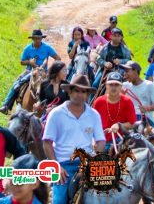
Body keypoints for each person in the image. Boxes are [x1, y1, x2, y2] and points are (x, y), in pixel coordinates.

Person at [42, 75, 106, 204]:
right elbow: (47, 142)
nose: (80, 94)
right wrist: (56, 166)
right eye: (77, 90)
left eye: (83, 91)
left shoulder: (94, 115)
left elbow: (100, 140)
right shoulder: (56, 113)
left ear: (88, 94)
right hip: (63, 164)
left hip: (88, 163)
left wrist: (95, 158)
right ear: (70, 91)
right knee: (59, 200)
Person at [0, 30, 61, 114]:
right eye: (35, 39)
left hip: (43, 73)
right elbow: (22, 62)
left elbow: (58, 58)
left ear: (42, 39)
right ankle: (6, 105)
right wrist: (29, 62)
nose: (37, 40)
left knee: (54, 87)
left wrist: (50, 70)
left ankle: (56, 108)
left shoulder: (47, 48)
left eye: (39, 39)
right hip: (30, 71)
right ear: (33, 39)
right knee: (17, 84)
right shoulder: (27, 49)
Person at [92, 72, 136, 151]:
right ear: (106, 85)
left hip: (121, 140)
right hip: (101, 141)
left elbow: (132, 124)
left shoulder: (127, 101)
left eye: (116, 85)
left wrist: (119, 125)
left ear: (121, 86)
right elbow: (92, 124)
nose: (113, 87)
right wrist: (93, 140)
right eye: (111, 84)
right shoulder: (98, 102)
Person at [120, 61, 154, 131]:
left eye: (127, 71)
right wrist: (121, 96)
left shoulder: (149, 85)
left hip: (146, 120)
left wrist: (148, 108)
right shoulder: (124, 86)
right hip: (129, 120)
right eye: (124, 72)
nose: (125, 74)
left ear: (135, 71)